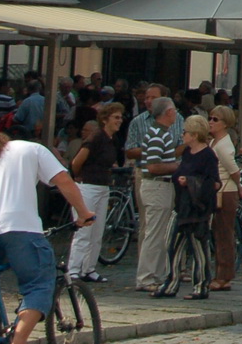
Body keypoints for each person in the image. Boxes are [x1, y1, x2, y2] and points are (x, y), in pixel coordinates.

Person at [0, 126, 97, 344]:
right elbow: (63, 180)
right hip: (20, 227)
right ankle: (18, 340)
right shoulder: (33, 149)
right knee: (39, 283)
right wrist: (83, 213)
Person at [161, 114, 219, 299]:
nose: (183, 135)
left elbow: (214, 183)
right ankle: (171, 283)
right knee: (172, 244)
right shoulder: (187, 152)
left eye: (185, 132)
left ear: (194, 135)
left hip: (198, 209)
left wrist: (191, 182)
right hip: (181, 206)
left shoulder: (208, 155)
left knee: (198, 247)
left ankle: (201, 286)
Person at [65, 102, 123, 283]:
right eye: (116, 117)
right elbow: (77, 161)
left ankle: (89, 268)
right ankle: (74, 269)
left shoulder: (112, 140)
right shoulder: (96, 137)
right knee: (84, 229)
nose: (119, 121)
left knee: (97, 231)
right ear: (105, 119)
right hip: (88, 186)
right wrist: (77, 177)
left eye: (120, 118)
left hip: (102, 187)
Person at [132, 95, 183, 293]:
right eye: (174, 111)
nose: (176, 115)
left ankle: (157, 274)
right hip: (156, 186)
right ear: (168, 112)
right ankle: (145, 277)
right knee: (154, 233)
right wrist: (177, 166)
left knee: (160, 232)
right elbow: (152, 166)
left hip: (161, 186)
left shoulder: (162, 133)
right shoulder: (157, 135)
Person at [208, 106, 242, 291]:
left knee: (224, 233)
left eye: (216, 119)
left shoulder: (223, 144)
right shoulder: (215, 141)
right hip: (219, 190)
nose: (211, 122)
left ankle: (225, 275)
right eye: (210, 118)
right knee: (219, 233)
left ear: (225, 124)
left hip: (225, 191)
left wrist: (239, 185)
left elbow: (232, 169)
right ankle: (220, 272)